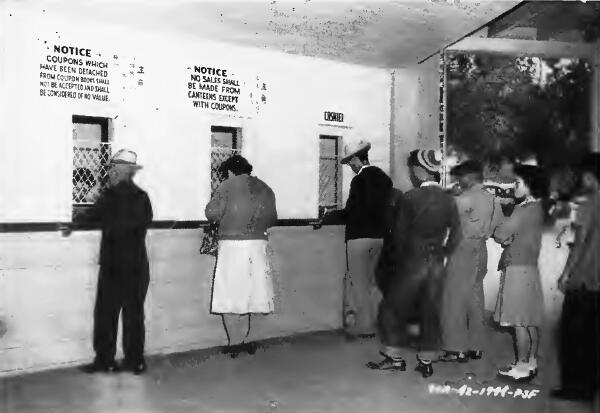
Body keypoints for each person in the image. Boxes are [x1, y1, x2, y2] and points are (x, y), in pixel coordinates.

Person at [367, 149, 461, 377]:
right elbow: (457, 235)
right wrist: (442, 253)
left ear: (420, 171)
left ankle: (394, 358)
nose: (411, 174)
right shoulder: (450, 200)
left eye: (412, 170)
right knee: (430, 310)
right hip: (437, 265)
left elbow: (399, 236)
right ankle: (426, 361)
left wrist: (396, 264)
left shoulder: (410, 198)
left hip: (412, 264)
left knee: (391, 309)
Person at [68, 149, 153, 375]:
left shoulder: (109, 196)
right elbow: (142, 224)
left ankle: (105, 361)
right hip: (136, 265)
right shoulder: (142, 197)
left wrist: (72, 224)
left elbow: (86, 218)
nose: (110, 171)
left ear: (122, 171)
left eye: (113, 168)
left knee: (106, 314)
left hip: (113, 265)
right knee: (134, 314)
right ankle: (135, 361)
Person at [205, 155, 278, 358]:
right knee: (252, 294)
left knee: (228, 293)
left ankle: (234, 344)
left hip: (232, 246)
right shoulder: (265, 187)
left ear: (229, 171)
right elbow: (272, 218)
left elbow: (211, 213)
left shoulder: (227, 185)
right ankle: (246, 340)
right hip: (258, 245)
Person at [320, 140, 393, 339]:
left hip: (359, 238)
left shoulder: (359, 181)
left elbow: (352, 212)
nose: (350, 167)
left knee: (358, 284)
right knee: (373, 283)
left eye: (350, 163)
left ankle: (365, 328)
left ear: (356, 159)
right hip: (381, 238)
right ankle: (378, 325)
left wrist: (327, 217)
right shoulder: (384, 179)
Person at [439, 160, 503, 362]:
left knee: (453, 299)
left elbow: (455, 228)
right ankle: (476, 346)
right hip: (480, 248)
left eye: (459, 177)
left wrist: (447, 249)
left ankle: (455, 348)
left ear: (469, 176)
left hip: (462, 249)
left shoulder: (464, 199)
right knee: (475, 299)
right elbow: (497, 229)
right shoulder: (493, 199)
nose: (457, 181)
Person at [552, 153, 600, 401]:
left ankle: (574, 387)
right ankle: (590, 385)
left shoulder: (589, 204)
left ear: (589, 176)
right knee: (592, 337)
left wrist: (565, 274)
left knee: (571, 335)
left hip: (583, 279)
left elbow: (579, 244)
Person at [492, 164, 547, 382]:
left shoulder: (522, 209)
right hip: (530, 268)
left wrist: (503, 233)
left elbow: (501, 234)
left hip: (517, 269)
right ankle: (531, 361)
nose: (513, 186)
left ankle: (522, 367)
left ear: (529, 185)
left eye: (518, 182)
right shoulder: (537, 208)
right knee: (529, 320)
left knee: (518, 322)